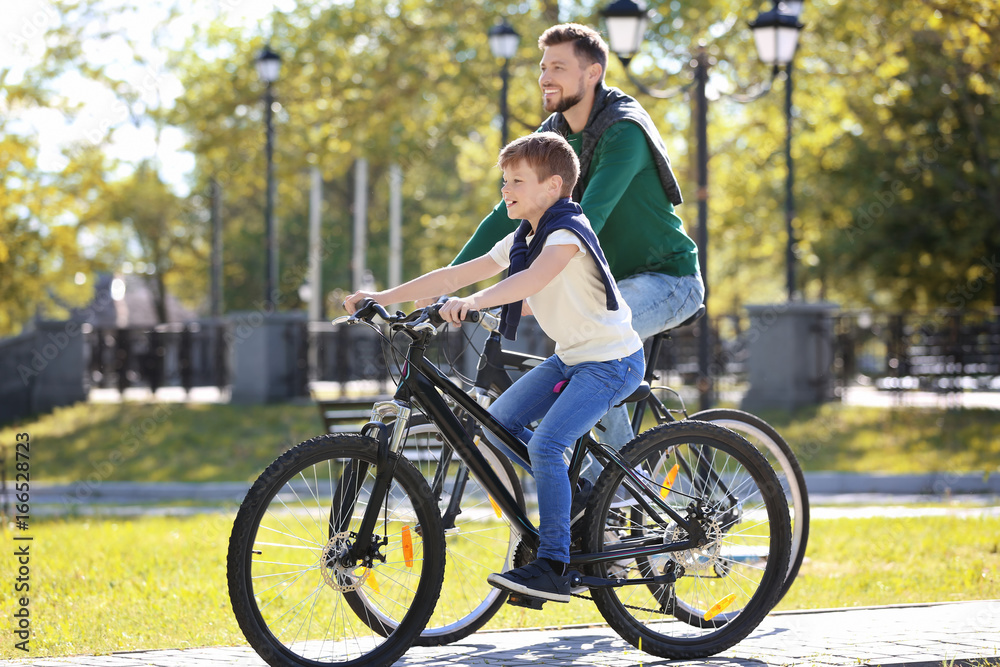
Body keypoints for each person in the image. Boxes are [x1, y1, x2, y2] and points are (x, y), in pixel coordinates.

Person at [344, 132, 644, 603]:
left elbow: (532, 280)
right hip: (572, 356)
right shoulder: (523, 237)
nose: (506, 189)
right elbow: (454, 274)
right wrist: (379, 297)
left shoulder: (566, 232)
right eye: (504, 179)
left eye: (518, 180)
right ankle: (580, 493)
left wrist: (474, 302)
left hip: (611, 362)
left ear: (553, 186)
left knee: (546, 443)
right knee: (497, 424)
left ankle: (554, 565)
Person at [447, 23, 705, 455]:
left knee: (598, 353)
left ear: (592, 74)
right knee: (580, 350)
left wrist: (522, 283)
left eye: (559, 67)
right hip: (608, 288)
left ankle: (618, 490)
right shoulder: (554, 137)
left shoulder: (625, 131)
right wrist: (449, 282)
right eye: (543, 66)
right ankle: (599, 491)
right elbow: (502, 217)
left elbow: (589, 218)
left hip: (668, 280)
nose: (545, 77)